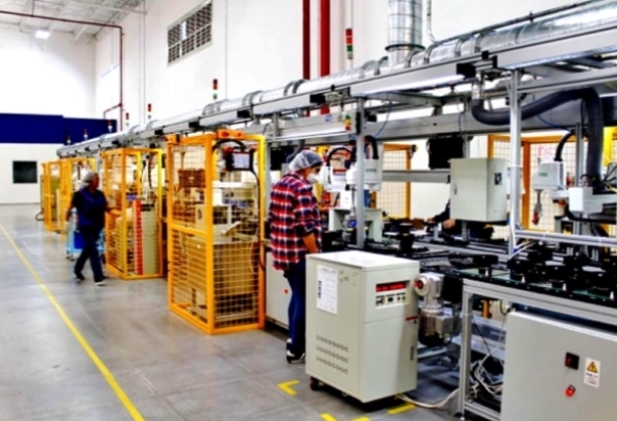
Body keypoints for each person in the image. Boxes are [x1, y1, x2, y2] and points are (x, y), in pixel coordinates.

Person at [268, 150, 323, 364]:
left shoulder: (279, 184)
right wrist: (316, 254)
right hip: (300, 253)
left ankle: (292, 339)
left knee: (297, 295)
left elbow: (272, 217)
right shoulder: (301, 188)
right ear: (306, 167)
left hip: (283, 252)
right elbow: (304, 227)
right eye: (316, 169)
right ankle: (297, 350)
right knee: (305, 300)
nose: (316, 173)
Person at [66, 171, 113, 286]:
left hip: (97, 226)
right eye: (97, 179)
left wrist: (119, 212)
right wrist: (67, 218)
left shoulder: (100, 194)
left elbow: (106, 208)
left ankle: (77, 269)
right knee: (93, 251)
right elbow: (70, 207)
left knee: (88, 249)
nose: (99, 181)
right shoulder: (80, 195)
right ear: (91, 181)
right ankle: (98, 276)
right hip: (85, 226)